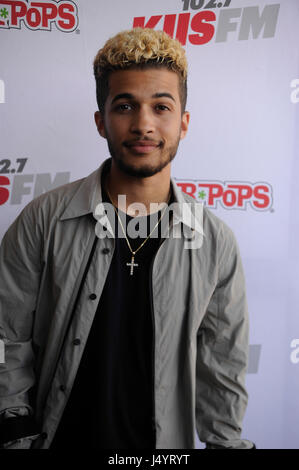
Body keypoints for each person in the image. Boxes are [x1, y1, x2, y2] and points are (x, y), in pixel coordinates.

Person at [0, 28, 254, 449]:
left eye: (161, 107)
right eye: (125, 106)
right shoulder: (43, 220)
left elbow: (223, 367)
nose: (143, 125)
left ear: (183, 123)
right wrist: (14, 433)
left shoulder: (214, 242)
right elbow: (6, 336)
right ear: (101, 121)